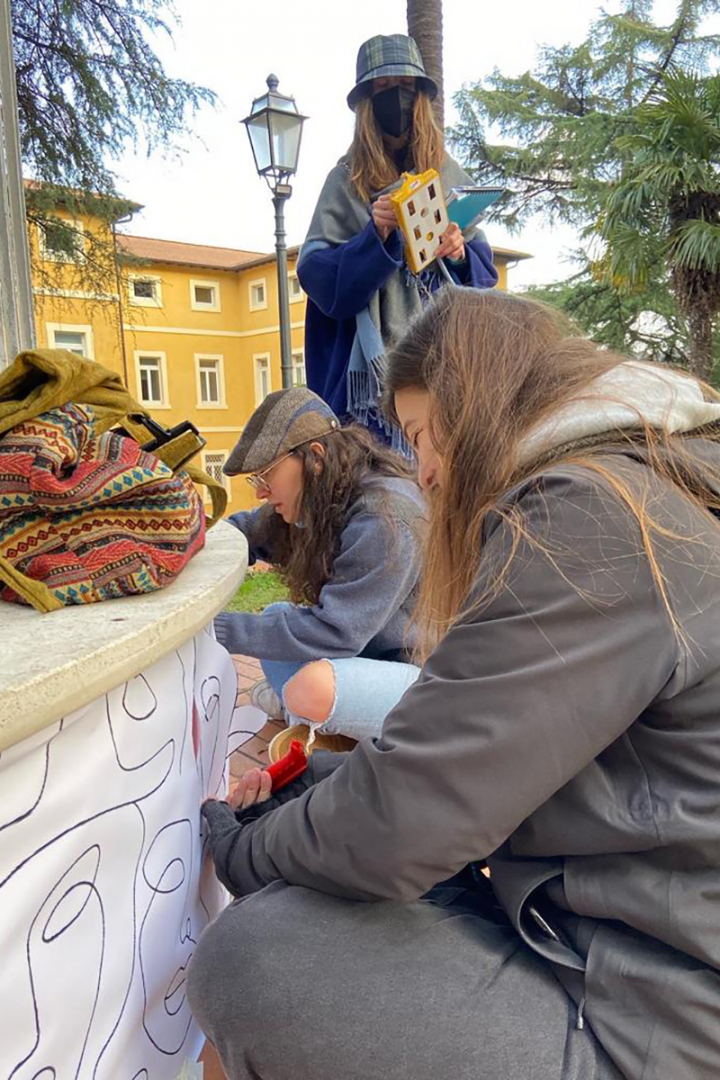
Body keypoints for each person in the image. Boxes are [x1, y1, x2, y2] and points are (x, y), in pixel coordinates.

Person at [191, 287, 720, 1080]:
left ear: (475, 404)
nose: (426, 470)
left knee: (252, 956)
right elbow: (503, 761)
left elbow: (406, 820)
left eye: (419, 435)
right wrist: (319, 783)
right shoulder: (643, 482)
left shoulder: (595, 518)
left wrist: (248, 851)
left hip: (654, 1020)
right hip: (614, 933)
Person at [297, 33, 498, 449]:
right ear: (368, 101)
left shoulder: (446, 171)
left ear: (420, 96)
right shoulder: (345, 180)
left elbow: (482, 279)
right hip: (367, 396)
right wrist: (377, 236)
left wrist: (458, 252)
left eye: (405, 87)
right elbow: (317, 277)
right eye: (384, 88)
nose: (397, 100)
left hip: (442, 373)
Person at [214, 386, 423, 750]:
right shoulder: (319, 501)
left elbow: (336, 633)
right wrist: (180, 545)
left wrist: (212, 630)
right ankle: (323, 722)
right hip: (360, 662)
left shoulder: (385, 517)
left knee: (312, 684)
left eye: (266, 475)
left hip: (424, 680)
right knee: (278, 617)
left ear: (315, 456)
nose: (260, 492)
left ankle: (309, 714)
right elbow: (240, 533)